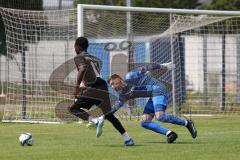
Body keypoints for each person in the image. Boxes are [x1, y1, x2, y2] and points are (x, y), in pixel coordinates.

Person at [96, 62, 197, 143]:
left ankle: (187, 123)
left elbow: (147, 67)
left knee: (160, 116)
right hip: (152, 96)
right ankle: (170, 134)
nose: (112, 87)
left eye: (113, 83)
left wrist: (163, 66)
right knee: (144, 122)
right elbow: (114, 108)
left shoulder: (131, 76)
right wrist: (102, 117)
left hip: (159, 89)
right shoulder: (123, 95)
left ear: (119, 80)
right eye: (111, 86)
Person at [68, 37, 134, 146]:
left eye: (75, 47)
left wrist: (77, 88)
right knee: (109, 115)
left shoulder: (79, 57)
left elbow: (82, 68)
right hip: (102, 86)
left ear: (78, 47)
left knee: (72, 109)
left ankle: (95, 120)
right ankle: (128, 139)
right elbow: (92, 75)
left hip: (93, 88)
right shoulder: (93, 58)